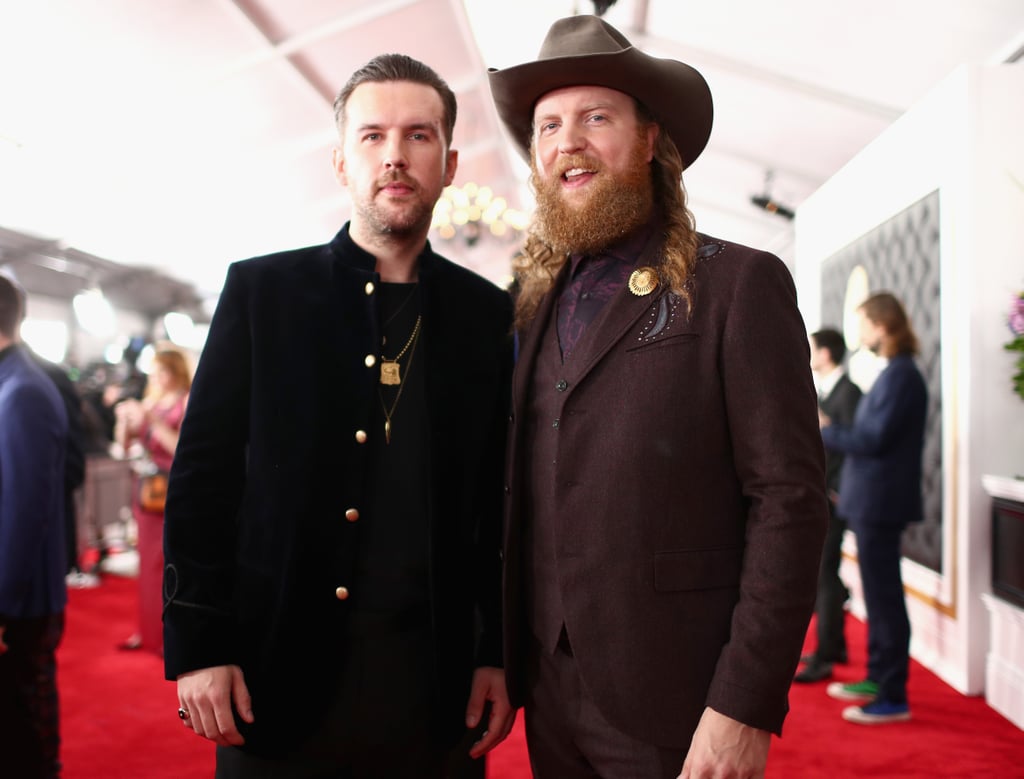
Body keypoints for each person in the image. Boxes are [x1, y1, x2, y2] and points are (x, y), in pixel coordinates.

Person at [487, 15, 829, 779]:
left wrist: (744, 703)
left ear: (649, 141)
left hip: (679, 696)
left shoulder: (738, 283)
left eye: (595, 118)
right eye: (548, 126)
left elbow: (790, 500)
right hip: (548, 687)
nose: (567, 141)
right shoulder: (529, 304)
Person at [162, 53, 515, 777]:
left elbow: (497, 506)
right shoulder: (262, 294)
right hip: (274, 675)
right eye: (372, 135)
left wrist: (495, 653)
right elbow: (201, 480)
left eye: (418, 135)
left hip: (433, 689)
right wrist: (199, 645)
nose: (394, 155)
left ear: (449, 164)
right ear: (340, 162)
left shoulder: (487, 315)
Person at [821, 292, 926, 725]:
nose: (859, 332)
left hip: (881, 502)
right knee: (879, 598)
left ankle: (892, 694)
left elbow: (871, 440)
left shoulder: (901, 375)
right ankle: (879, 678)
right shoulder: (893, 373)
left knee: (884, 600)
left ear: (882, 325)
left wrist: (826, 428)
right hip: (872, 501)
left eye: (863, 323)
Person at [0, 274, 69, 778]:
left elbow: (24, 513)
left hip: (21, 600)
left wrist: (1, 606)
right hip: (17, 593)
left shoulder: (23, 390)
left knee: (24, 730)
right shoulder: (13, 383)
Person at [794, 328, 862, 683]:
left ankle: (825, 656)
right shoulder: (826, 390)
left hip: (834, 496)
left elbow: (856, 445)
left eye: (812, 348)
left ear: (825, 353)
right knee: (827, 573)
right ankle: (833, 646)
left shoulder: (849, 392)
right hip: (824, 493)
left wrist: (836, 489)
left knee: (824, 574)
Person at [114, 347, 191, 655]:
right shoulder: (151, 401)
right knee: (146, 563)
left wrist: (153, 421)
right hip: (147, 490)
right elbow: (124, 445)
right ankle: (147, 631)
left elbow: (181, 448)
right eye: (154, 371)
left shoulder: (186, 401)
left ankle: (168, 636)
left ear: (175, 372)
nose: (157, 377)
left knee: (167, 561)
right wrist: (124, 420)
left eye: (162, 371)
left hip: (173, 487)